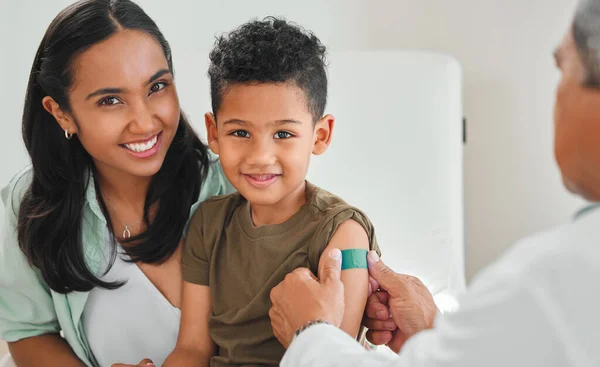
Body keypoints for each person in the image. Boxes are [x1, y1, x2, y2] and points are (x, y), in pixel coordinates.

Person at [268, 0, 600, 365]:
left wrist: (311, 334)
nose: (556, 96)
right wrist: (432, 334)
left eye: (564, 70)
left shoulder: (554, 281)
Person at [0, 1, 232, 366]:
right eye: (111, 100)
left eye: (157, 86)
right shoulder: (28, 203)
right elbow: (28, 331)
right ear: (61, 113)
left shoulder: (231, 189)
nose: (144, 123)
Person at [161, 17, 380, 367]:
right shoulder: (207, 224)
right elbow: (192, 349)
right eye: (240, 133)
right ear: (213, 133)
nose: (260, 158)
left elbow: (335, 354)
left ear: (320, 136)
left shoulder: (344, 234)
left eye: (283, 134)